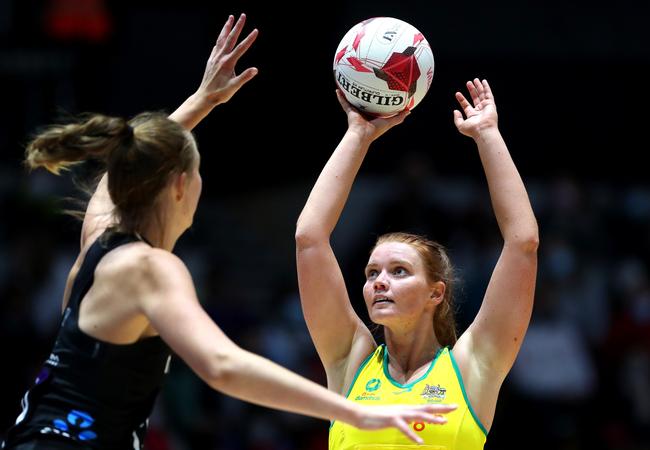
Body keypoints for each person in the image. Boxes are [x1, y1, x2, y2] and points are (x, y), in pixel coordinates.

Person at [1, 14, 456, 450]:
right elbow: (221, 364)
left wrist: (203, 99)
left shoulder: (100, 245)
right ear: (180, 185)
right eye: (198, 172)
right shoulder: (149, 267)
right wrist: (354, 412)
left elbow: (120, 171)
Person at [295, 79, 538, 449]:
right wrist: (358, 134)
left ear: (435, 292)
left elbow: (523, 244)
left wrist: (487, 134)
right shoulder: (349, 360)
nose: (379, 281)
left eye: (399, 271)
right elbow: (309, 239)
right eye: (372, 272)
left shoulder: (473, 365)